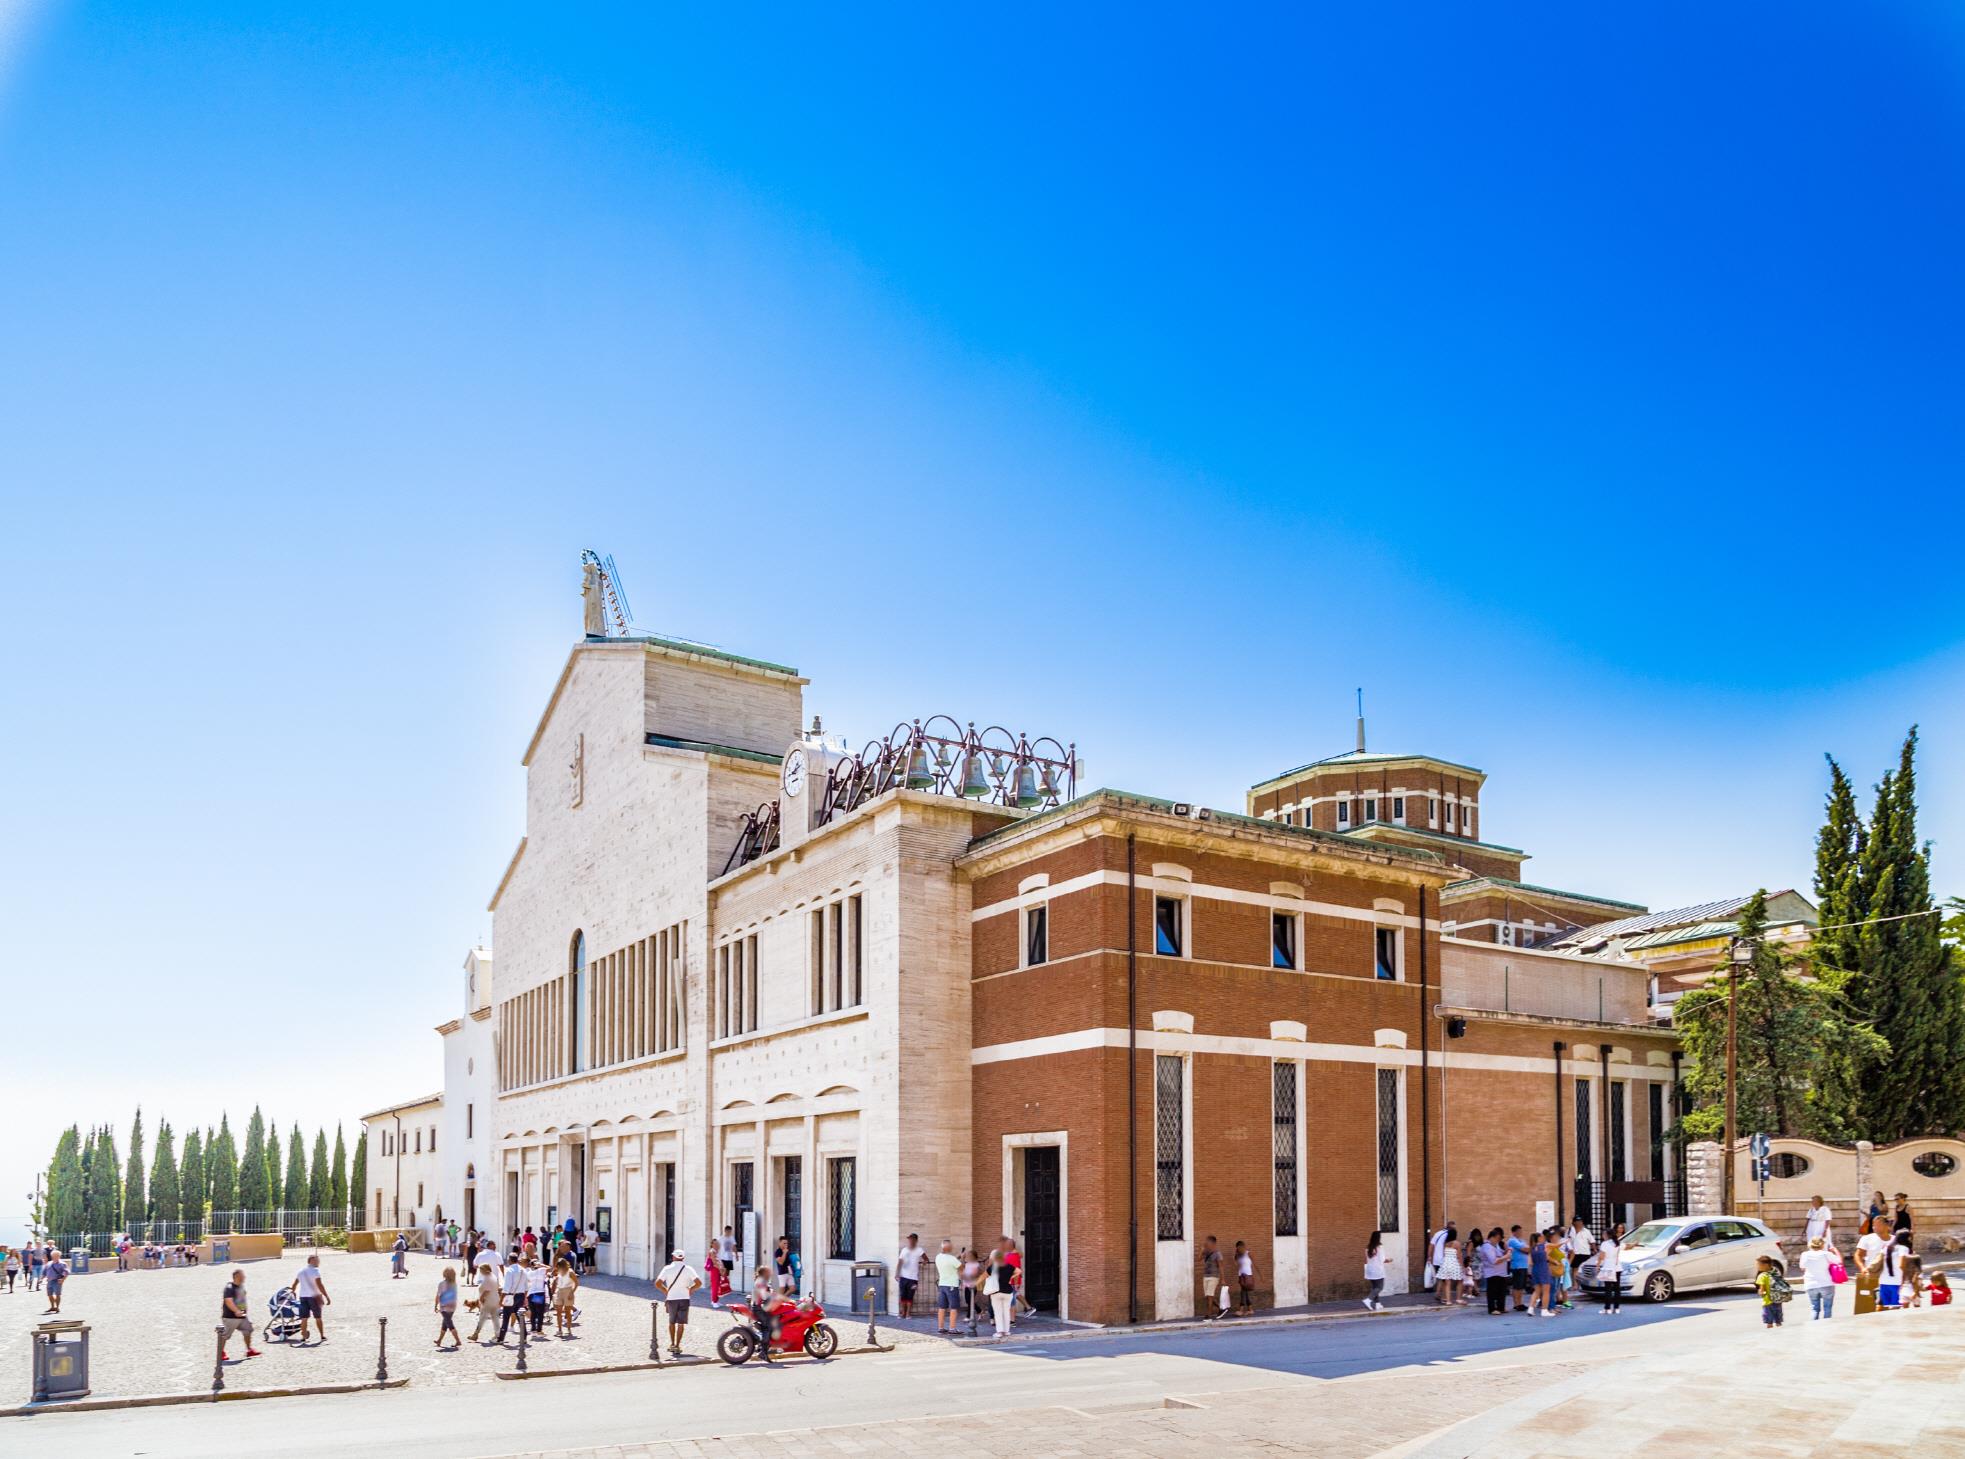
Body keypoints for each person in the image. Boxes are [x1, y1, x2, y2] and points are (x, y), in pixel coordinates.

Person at [653, 1248, 701, 1356]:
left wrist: (666, 1291)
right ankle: (678, 1345)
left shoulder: (667, 1269)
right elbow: (698, 1283)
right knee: (681, 1324)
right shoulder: (688, 1269)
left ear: (673, 1257)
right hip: (684, 1298)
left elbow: (657, 1283)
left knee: (671, 1322)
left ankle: (672, 1343)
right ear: (683, 1258)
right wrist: (690, 1290)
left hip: (672, 1298)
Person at [288, 1253, 330, 1343]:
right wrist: (326, 1296)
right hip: (314, 1297)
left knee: (304, 1318)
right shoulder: (315, 1271)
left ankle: (303, 1337)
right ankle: (322, 1336)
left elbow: (294, 1284)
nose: (319, 1262)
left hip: (303, 1297)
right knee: (318, 1317)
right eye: (317, 1260)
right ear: (312, 1261)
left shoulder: (300, 1271)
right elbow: (320, 1285)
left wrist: (293, 1292)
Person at [220, 1268, 261, 1358]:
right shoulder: (229, 1288)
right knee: (225, 1335)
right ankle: (221, 1353)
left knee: (248, 1330)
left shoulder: (241, 1286)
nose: (244, 1277)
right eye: (242, 1275)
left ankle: (249, 1350)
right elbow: (228, 1301)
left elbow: (243, 1295)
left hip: (242, 1316)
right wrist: (236, 1311)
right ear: (236, 1277)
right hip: (231, 1317)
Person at [1799, 1236, 1836, 1320]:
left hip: (1810, 1284)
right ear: (1822, 1245)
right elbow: (1838, 1261)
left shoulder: (1805, 1254)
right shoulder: (1826, 1254)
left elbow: (1802, 1267)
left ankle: (1814, 1328)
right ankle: (1827, 1327)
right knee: (1827, 1308)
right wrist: (1835, 1251)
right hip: (1826, 1283)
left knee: (1815, 1309)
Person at [750, 1264, 782, 1361]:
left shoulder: (761, 1280)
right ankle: (763, 1352)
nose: (770, 1273)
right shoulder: (761, 1281)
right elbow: (764, 1296)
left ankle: (766, 1348)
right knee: (768, 1326)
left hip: (758, 1307)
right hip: (758, 1308)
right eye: (768, 1272)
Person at [469, 1257, 503, 1343]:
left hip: (488, 1301)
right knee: (495, 1318)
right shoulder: (493, 1276)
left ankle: (476, 1334)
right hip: (494, 1300)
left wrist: (481, 1298)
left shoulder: (488, 1278)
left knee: (482, 1318)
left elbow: (487, 1290)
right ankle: (498, 1335)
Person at [496, 1253, 528, 1344]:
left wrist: (501, 1299)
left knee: (506, 1317)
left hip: (510, 1296)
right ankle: (524, 1336)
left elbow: (507, 1287)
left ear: (510, 1260)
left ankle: (501, 1338)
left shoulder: (509, 1271)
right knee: (520, 1317)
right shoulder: (523, 1270)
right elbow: (526, 1287)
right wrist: (525, 1298)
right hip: (520, 1296)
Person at [933, 1239, 962, 1334]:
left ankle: (940, 1327)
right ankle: (952, 1328)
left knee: (942, 1307)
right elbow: (961, 1267)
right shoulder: (952, 1259)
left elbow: (949, 1263)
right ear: (949, 1248)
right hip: (952, 1285)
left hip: (942, 1284)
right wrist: (963, 1259)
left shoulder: (938, 1257)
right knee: (954, 1307)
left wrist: (957, 1258)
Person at [988, 1247, 1016, 1340]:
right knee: (1006, 1311)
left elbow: (985, 1276)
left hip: (996, 1292)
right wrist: (1011, 1277)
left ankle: (999, 1332)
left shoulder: (992, 1267)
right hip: (1008, 1292)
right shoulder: (1009, 1266)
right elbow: (1019, 1271)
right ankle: (1007, 1331)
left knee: (998, 1312)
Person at [896, 1233, 926, 1319]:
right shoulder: (904, 1250)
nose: (910, 1240)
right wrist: (897, 1273)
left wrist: (924, 1263)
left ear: (916, 1240)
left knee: (910, 1296)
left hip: (913, 1278)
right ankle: (903, 1313)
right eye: (909, 1239)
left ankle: (908, 1314)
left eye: (912, 1239)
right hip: (903, 1276)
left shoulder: (919, 1250)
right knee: (903, 1295)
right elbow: (900, 1262)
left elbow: (926, 1259)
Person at [1479, 1228, 1508, 1315]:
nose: (1498, 1241)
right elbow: (1494, 1260)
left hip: (1501, 1272)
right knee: (1492, 1291)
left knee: (1501, 1291)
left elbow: (1501, 1253)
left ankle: (1501, 1307)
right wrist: (1506, 1256)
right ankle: (1492, 1309)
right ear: (1492, 1237)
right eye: (1497, 1239)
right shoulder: (1487, 1246)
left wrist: (1506, 1251)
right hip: (1492, 1273)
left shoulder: (1496, 1245)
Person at [1597, 1225, 1625, 1315]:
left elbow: (1601, 1256)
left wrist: (1597, 1265)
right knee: (1617, 1289)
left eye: (1603, 1234)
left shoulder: (1604, 1244)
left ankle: (1607, 1308)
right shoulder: (1617, 1243)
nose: (1602, 1236)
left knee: (1608, 1289)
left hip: (1608, 1267)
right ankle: (1617, 1308)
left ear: (1606, 1235)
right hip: (1617, 1267)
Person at [1431, 1223, 1461, 1305]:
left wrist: (1429, 1257)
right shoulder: (1456, 1243)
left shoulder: (1444, 1241)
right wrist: (1462, 1265)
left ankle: (1446, 1299)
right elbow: (1459, 1256)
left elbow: (1432, 1246)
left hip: (1443, 1262)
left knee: (1445, 1281)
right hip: (1452, 1263)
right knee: (1459, 1281)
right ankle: (1457, 1299)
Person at [1755, 1254, 1787, 1328]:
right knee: (1778, 1321)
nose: (1757, 1266)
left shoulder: (1762, 1276)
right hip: (1778, 1300)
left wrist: (1760, 1292)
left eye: (1758, 1265)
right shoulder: (1776, 1273)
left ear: (1765, 1265)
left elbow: (1762, 1290)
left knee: (1769, 1322)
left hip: (1768, 1302)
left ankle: (1770, 1335)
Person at [434, 1266, 461, 1349]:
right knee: (445, 1323)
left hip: (444, 1307)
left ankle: (458, 1340)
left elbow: (438, 1296)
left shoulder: (442, 1284)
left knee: (449, 1323)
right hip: (452, 1306)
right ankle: (439, 1340)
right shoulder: (454, 1284)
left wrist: (435, 1305)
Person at [551, 1257, 578, 1337]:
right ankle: (559, 1330)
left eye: (559, 1266)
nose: (558, 1268)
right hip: (559, 1291)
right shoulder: (559, 1271)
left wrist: (572, 1292)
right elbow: (553, 1275)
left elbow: (576, 1283)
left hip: (568, 1291)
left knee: (567, 1311)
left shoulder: (570, 1272)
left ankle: (569, 1328)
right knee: (558, 1311)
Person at [1506, 1225, 1531, 1312]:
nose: (1520, 1233)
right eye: (1518, 1231)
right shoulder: (1512, 1240)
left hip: (1523, 1265)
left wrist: (1526, 1249)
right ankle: (1516, 1304)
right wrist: (1526, 1249)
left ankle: (1520, 1303)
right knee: (1517, 1286)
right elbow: (1525, 1249)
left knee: (1521, 1286)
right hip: (1517, 1266)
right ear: (1514, 1232)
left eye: (1521, 1231)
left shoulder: (1522, 1240)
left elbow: (1528, 1250)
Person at [1528, 1230, 1552, 1317]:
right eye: (1542, 1237)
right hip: (1543, 1269)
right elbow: (1555, 1247)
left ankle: (1530, 1308)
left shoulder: (1532, 1248)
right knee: (1546, 1291)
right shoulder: (1545, 1246)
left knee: (1537, 1291)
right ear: (1539, 1238)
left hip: (1535, 1269)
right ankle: (1544, 1310)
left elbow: (1530, 1263)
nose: (1543, 1238)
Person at [960, 1247, 984, 1334]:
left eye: (970, 1256)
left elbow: (975, 1274)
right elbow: (962, 1269)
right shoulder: (967, 1264)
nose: (968, 1257)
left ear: (974, 1257)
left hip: (973, 1285)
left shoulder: (976, 1265)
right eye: (968, 1256)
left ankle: (969, 1317)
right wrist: (962, 1258)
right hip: (967, 1284)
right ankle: (979, 1311)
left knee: (970, 1300)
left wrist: (969, 1276)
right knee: (968, 1300)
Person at [1546, 1228, 1570, 1310]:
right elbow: (1546, 1256)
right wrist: (1555, 1261)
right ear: (1551, 1238)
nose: (1558, 1238)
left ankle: (1552, 1306)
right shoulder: (1549, 1245)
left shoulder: (1554, 1246)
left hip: (1557, 1270)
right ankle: (1551, 1307)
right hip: (1552, 1270)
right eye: (1556, 1236)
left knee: (1555, 1289)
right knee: (1552, 1289)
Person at [525, 1254, 550, 1333]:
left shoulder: (529, 1273)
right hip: (539, 1293)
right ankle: (539, 1329)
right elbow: (549, 1268)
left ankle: (533, 1328)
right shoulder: (541, 1270)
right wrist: (541, 1265)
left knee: (533, 1312)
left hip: (531, 1294)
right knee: (540, 1313)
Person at [1363, 1231, 1386, 1311]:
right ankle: (1368, 1300)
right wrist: (1389, 1260)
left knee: (1374, 1287)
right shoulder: (1379, 1247)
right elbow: (1382, 1259)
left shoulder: (1368, 1247)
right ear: (1378, 1238)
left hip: (1369, 1269)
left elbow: (1366, 1260)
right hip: (1377, 1269)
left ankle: (1377, 1304)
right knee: (1380, 1287)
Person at [1200, 1235, 1223, 1317]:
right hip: (1206, 1276)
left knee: (1210, 1296)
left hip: (1214, 1276)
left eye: (1208, 1241)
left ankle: (1208, 1314)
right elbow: (1199, 1259)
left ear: (1213, 1243)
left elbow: (1220, 1266)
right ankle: (1221, 1308)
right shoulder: (1206, 1252)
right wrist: (1202, 1251)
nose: (1206, 1243)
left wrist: (1223, 1279)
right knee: (1207, 1296)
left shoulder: (1217, 1253)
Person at [1234, 1240, 1257, 1315]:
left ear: (1243, 1246)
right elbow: (1236, 1265)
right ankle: (1250, 1309)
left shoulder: (1248, 1254)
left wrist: (1261, 1276)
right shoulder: (1238, 1255)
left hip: (1247, 1276)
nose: (1239, 1249)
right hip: (1241, 1276)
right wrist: (1236, 1255)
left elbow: (1255, 1264)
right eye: (1237, 1248)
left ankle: (1241, 1310)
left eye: (1239, 1248)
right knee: (1245, 1292)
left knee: (1243, 1292)